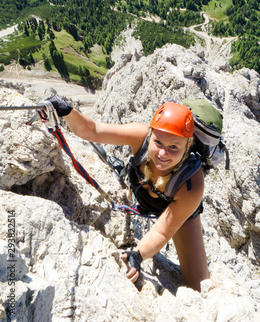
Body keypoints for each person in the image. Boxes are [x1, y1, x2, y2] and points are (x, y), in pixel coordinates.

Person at [47, 96, 209, 292]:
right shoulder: (140, 137)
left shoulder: (192, 183)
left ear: (187, 147)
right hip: (141, 197)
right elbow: (91, 130)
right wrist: (66, 111)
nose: (163, 154)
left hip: (181, 216)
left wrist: (138, 255)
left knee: (199, 286)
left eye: (174, 147)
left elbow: (162, 231)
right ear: (150, 135)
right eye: (158, 142)